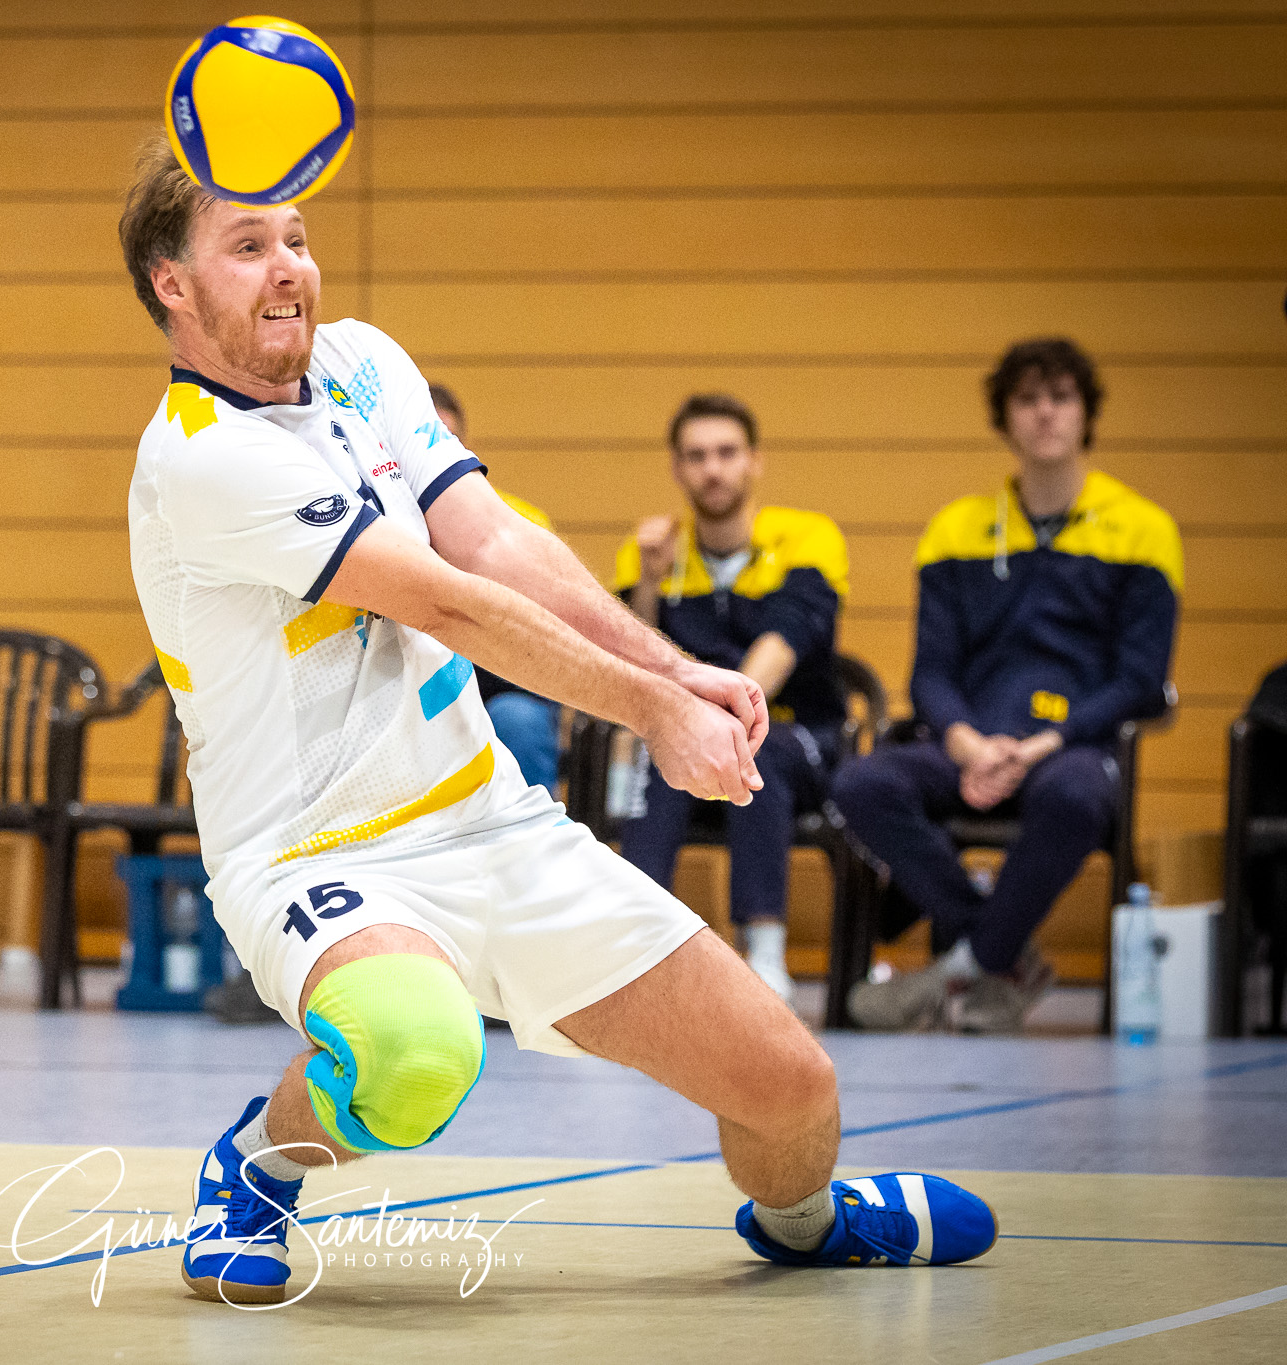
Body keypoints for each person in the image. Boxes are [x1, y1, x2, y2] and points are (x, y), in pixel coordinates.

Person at [119, 137, 994, 1307]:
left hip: (491, 827)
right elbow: (446, 596)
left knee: (791, 1092)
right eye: (247, 246)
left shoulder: (364, 363)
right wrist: (651, 710)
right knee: (412, 1049)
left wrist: (677, 667)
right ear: (171, 284)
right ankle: (256, 1167)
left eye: (297, 238)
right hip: (314, 858)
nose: (289, 270)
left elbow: (493, 540)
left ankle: (804, 1220)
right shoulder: (200, 459)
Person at [836, 338, 1180, 1034]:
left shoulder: (1145, 531)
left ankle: (962, 964)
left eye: (1060, 397)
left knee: (1080, 798)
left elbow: (1141, 681)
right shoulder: (955, 530)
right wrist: (966, 742)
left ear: (1086, 413)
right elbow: (929, 670)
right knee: (862, 784)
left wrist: (1043, 745)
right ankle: (1005, 953)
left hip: (1072, 748)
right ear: (1005, 418)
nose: (1045, 413)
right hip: (971, 739)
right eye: (1027, 399)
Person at [614, 395, 850, 1005]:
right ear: (676, 469)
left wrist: (723, 714)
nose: (712, 470)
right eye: (695, 457)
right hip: (689, 738)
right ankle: (634, 953)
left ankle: (766, 954)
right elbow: (633, 662)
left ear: (755, 462)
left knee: (754, 748)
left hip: (801, 736)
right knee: (663, 753)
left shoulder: (809, 539)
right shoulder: (651, 554)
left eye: (726, 453)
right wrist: (648, 584)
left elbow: (785, 641)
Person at [426, 382, 563, 793]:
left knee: (517, 720)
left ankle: (534, 853)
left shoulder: (523, 521)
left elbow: (549, 641)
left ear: (465, 447)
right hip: (420, 687)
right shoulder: (380, 526)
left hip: (510, 686)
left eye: (443, 440)